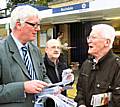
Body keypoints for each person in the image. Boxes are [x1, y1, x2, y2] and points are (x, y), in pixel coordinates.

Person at [0, 5, 51, 107]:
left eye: (39, 25)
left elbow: (43, 75)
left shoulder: (35, 50)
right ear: (18, 24)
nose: (38, 29)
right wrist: (22, 87)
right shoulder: (2, 50)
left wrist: (50, 86)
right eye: (34, 25)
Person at [74, 24, 120, 107]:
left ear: (107, 42)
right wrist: (81, 104)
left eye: (93, 37)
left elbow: (117, 100)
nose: (89, 41)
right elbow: (80, 90)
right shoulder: (86, 64)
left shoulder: (117, 66)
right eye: (89, 37)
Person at [44, 39, 73, 107]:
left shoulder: (63, 65)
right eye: (53, 47)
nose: (56, 50)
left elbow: (69, 86)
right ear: (46, 50)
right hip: (47, 103)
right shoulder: (41, 65)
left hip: (62, 102)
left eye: (58, 48)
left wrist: (70, 79)